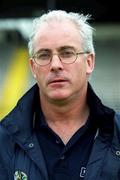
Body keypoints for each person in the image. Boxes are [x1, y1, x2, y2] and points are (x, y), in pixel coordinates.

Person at [0, 10, 120, 180]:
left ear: (89, 62)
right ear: (33, 67)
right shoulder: (4, 140)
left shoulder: (117, 133)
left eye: (67, 53)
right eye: (44, 55)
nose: (55, 65)